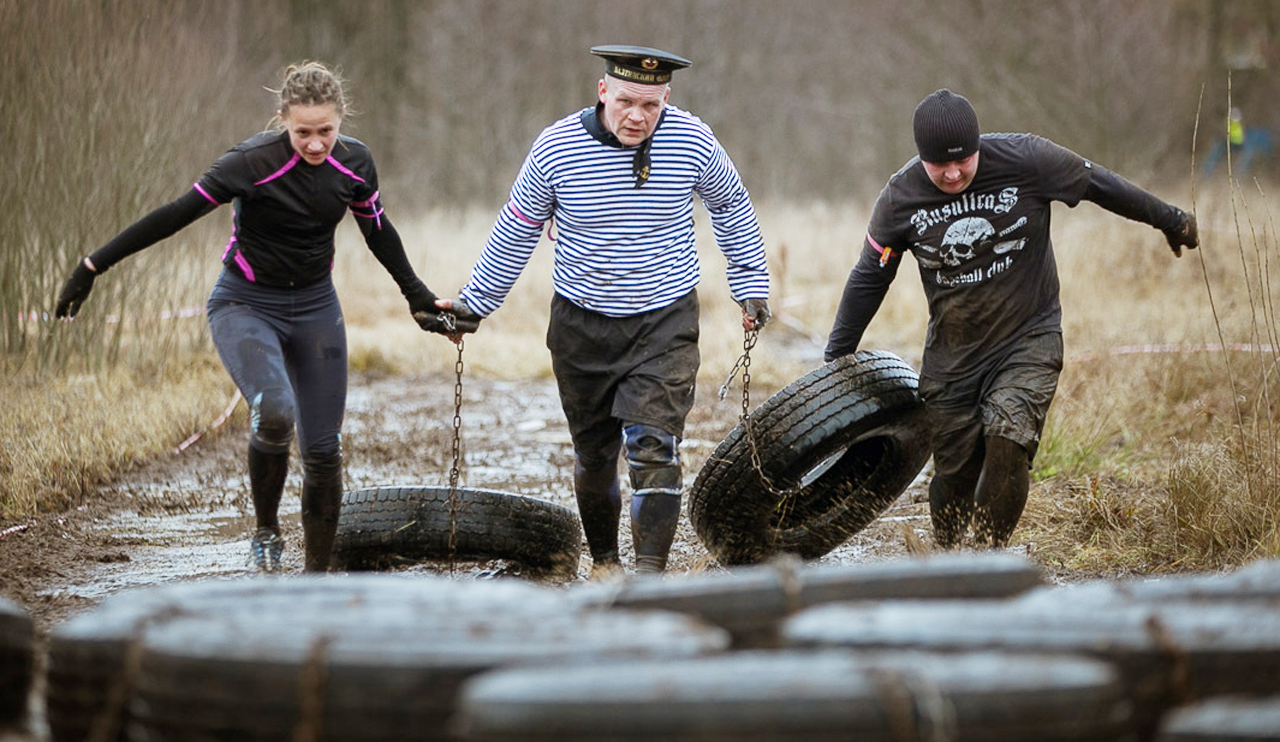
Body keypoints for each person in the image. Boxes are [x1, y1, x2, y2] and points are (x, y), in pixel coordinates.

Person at [54, 61, 466, 573]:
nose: (315, 144)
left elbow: (379, 232)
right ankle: (266, 531)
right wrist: (93, 266)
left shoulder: (354, 164)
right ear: (282, 120)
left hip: (316, 307)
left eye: (326, 132)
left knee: (323, 449)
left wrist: (419, 299)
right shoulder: (250, 162)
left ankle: (317, 576)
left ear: (341, 121)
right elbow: (174, 214)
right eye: (302, 133)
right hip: (244, 304)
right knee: (273, 411)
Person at [438, 45, 771, 575]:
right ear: (602, 92)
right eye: (625, 101)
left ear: (667, 97)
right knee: (594, 457)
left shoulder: (693, 141)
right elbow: (517, 227)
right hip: (581, 326)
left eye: (650, 105)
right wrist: (475, 304)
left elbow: (731, 205)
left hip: (664, 320)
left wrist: (751, 283)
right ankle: (605, 563)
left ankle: (648, 579)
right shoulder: (556, 148)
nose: (637, 116)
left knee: (653, 448)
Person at [825, 88, 1199, 549]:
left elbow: (1102, 185)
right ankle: (946, 557)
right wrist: (836, 357)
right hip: (953, 356)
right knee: (955, 473)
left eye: (964, 160)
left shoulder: (1028, 159)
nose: (954, 172)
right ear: (921, 157)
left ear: (978, 146)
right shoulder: (901, 197)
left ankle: (987, 557)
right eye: (939, 165)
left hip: (1029, 338)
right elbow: (870, 275)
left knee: (1008, 440)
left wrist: (1171, 219)